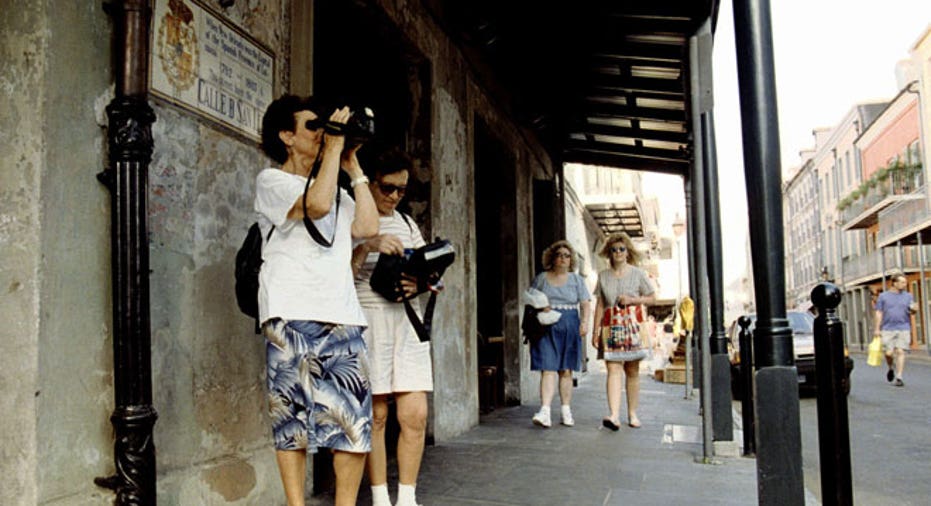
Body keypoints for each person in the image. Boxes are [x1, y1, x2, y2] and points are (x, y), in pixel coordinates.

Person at [255, 94, 379, 506]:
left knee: (351, 424)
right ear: (286, 136)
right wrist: (336, 150)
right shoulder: (272, 181)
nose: (323, 133)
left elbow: (367, 225)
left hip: (342, 315)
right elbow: (316, 204)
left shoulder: (335, 183)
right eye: (313, 126)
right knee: (291, 421)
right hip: (290, 314)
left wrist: (352, 166)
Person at [350, 148, 432, 506]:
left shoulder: (407, 222)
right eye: (388, 188)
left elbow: (429, 270)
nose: (396, 196)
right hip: (369, 318)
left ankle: (408, 496)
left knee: (415, 413)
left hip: (407, 320)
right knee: (377, 414)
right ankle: (381, 495)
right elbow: (337, 278)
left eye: (402, 190)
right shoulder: (348, 215)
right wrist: (367, 246)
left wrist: (424, 283)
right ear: (368, 184)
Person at [591, 232, 655, 430]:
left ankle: (632, 413)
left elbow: (652, 297)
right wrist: (595, 330)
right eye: (614, 250)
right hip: (611, 325)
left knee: (632, 370)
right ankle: (614, 414)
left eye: (621, 249)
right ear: (609, 253)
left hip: (633, 323)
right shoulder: (603, 276)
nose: (618, 252)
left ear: (628, 252)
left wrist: (633, 300)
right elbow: (600, 304)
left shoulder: (638, 273)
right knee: (612, 368)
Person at [528, 240, 592, 428]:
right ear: (552, 258)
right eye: (559, 255)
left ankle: (566, 410)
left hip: (570, 323)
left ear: (571, 259)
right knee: (547, 368)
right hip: (546, 324)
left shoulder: (576, 280)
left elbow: (585, 303)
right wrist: (541, 305)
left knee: (566, 370)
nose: (563, 258)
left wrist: (585, 323)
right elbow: (531, 298)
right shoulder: (542, 278)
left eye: (567, 255)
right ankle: (545, 411)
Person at [873, 273, 917, 387]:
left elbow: (912, 311)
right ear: (894, 283)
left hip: (903, 327)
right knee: (888, 353)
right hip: (887, 328)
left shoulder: (908, 296)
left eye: (905, 282)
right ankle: (891, 367)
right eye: (902, 282)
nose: (904, 284)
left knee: (900, 351)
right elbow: (879, 312)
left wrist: (914, 310)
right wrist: (877, 328)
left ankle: (899, 376)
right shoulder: (883, 296)